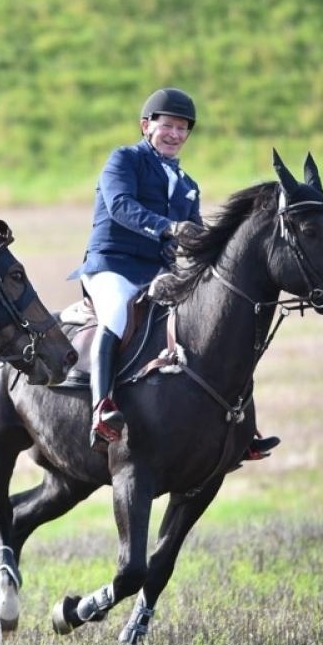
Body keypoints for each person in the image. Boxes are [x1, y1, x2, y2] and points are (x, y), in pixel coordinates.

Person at [69, 88, 279, 459]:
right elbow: (120, 207)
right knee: (117, 314)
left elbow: (194, 234)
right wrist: (168, 228)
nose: (175, 135)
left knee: (214, 326)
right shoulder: (124, 161)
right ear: (146, 126)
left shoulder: (187, 185)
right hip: (112, 267)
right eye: (168, 126)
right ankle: (102, 407)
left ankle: (239, 423)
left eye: (182, 129)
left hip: (157, 274)